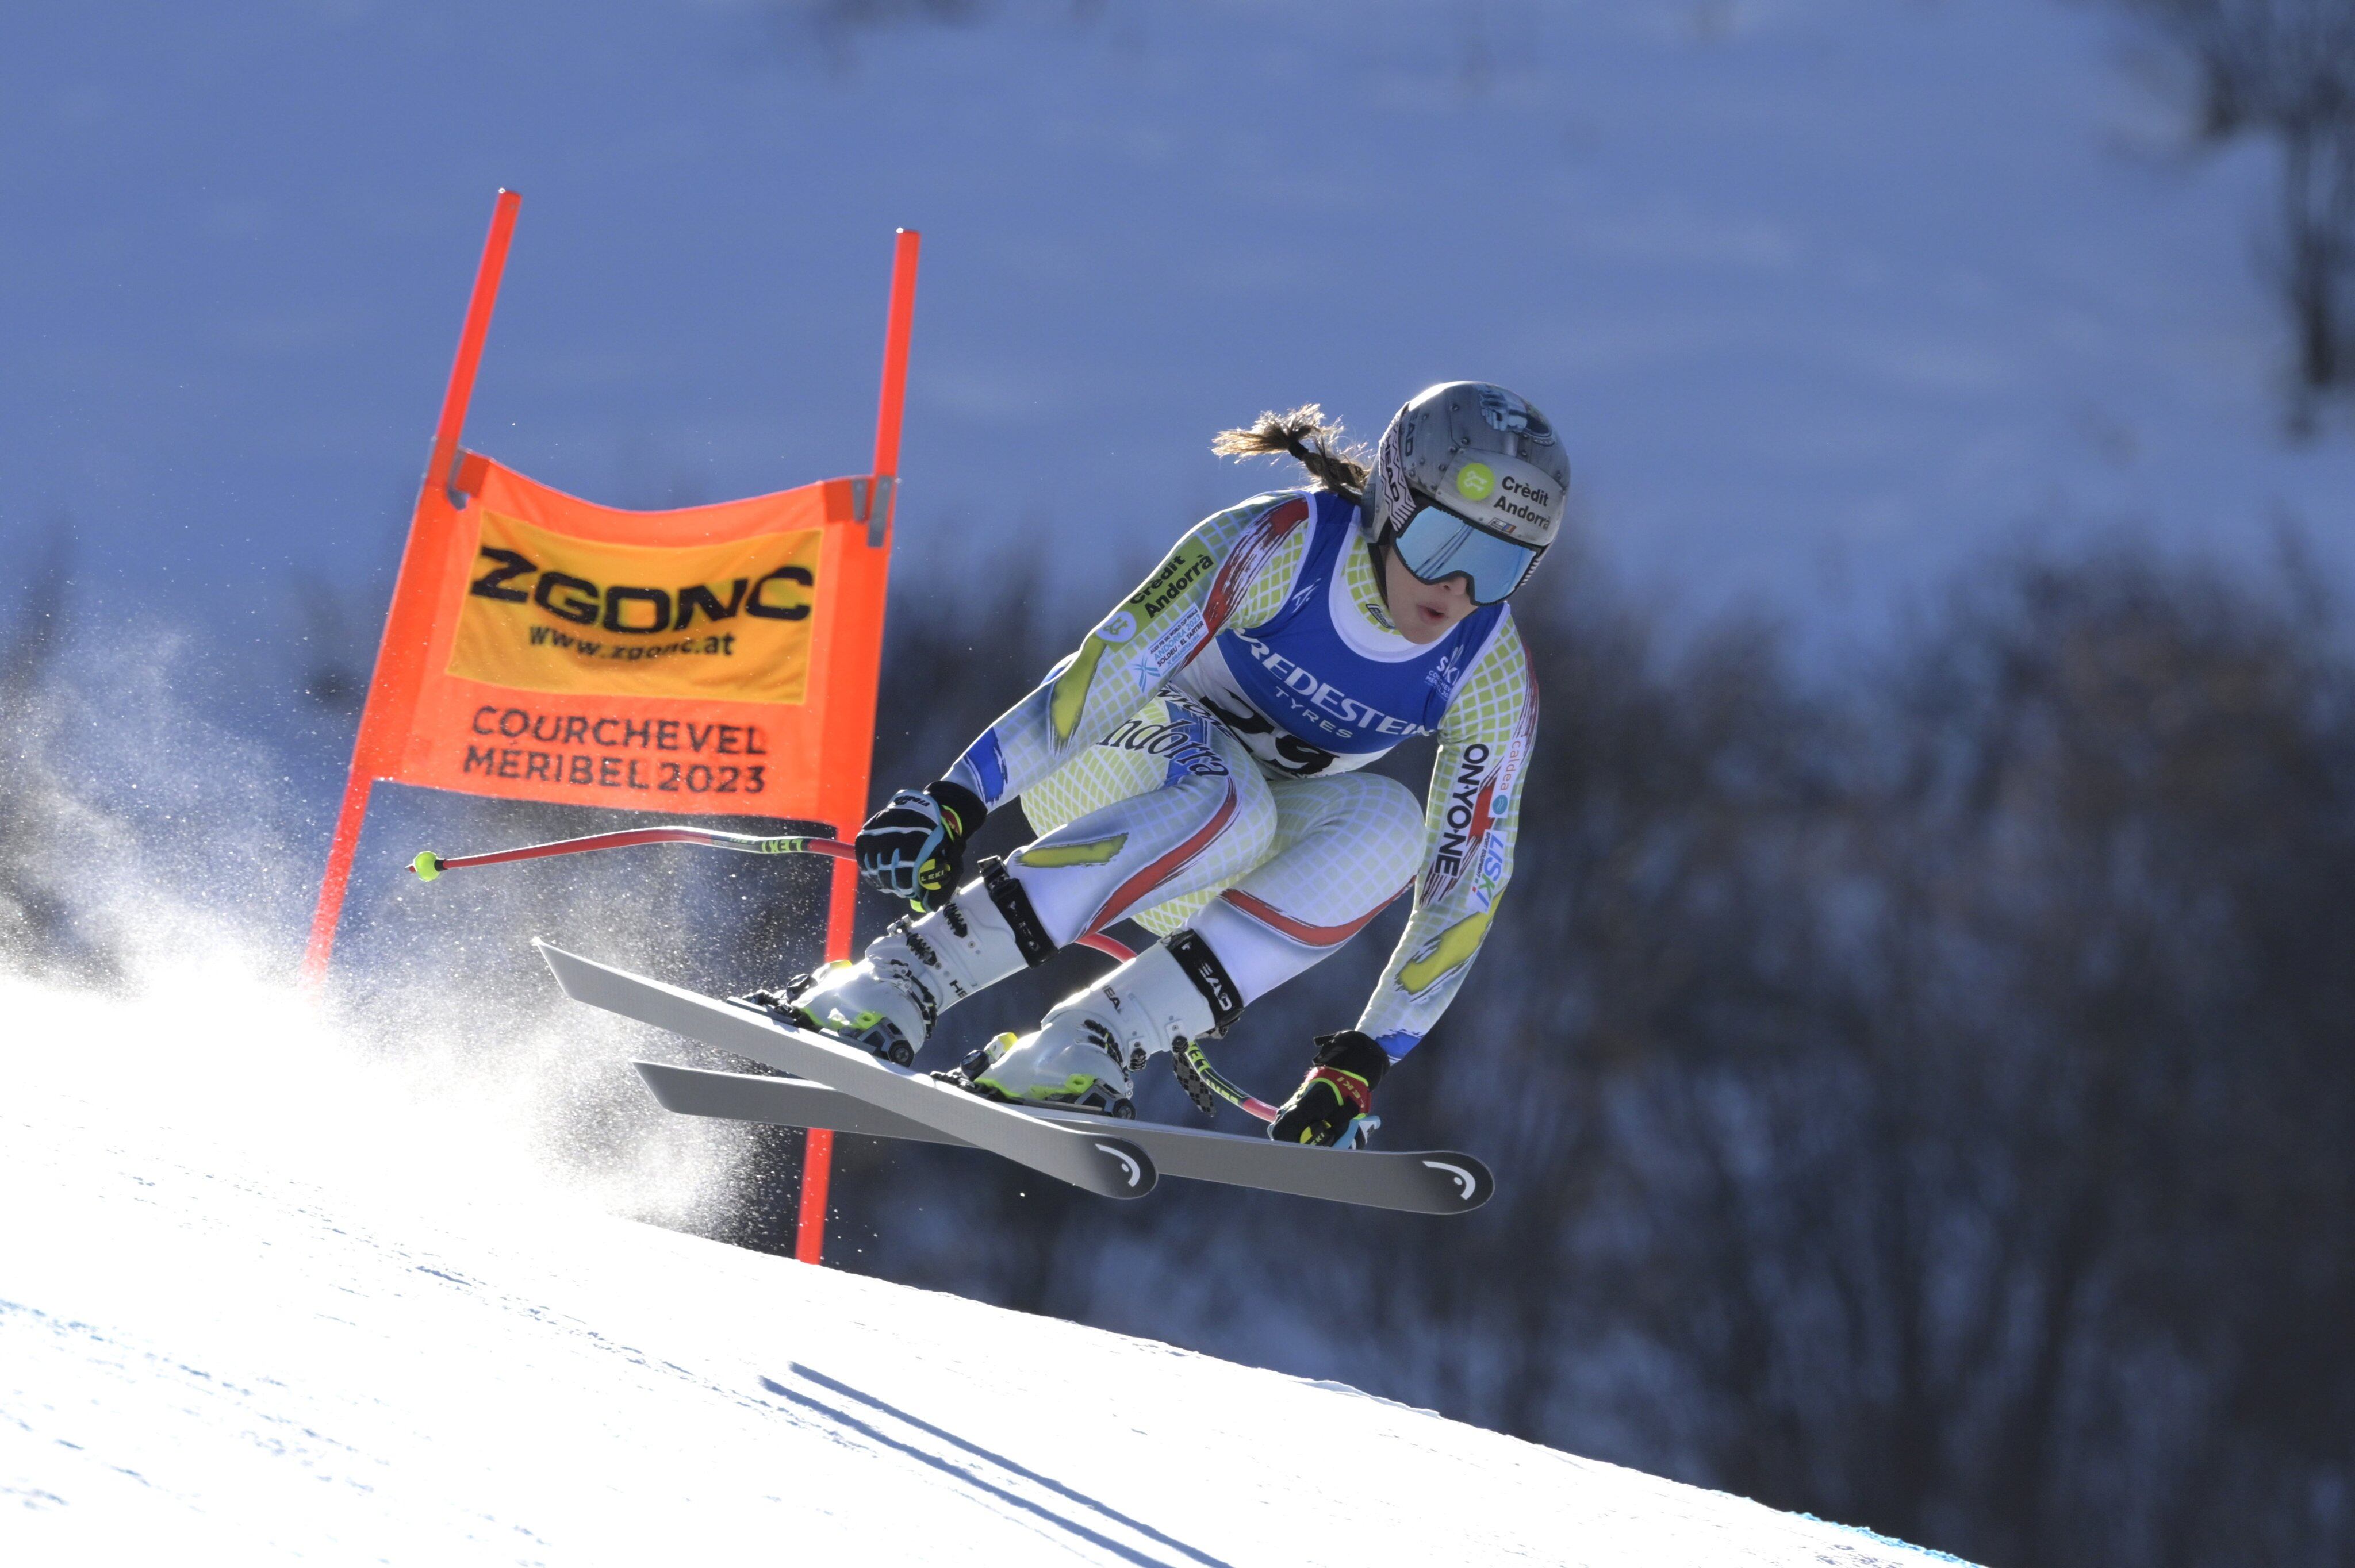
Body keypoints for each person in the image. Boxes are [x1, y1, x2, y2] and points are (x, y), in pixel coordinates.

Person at [770, 382, 1563, 1147]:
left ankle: (1093, 1041)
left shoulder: (1486, 671)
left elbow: (1469, 884)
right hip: (1111, 771)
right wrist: (960, 798)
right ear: (1392, 502)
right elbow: (1098, 680)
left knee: (1394, 828)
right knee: (1230, 802)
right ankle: (903, 976)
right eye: (1441, 544)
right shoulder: (1283, 546)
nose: (1458, 588)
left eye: (1501, 566)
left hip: (1225, 849)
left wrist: (1366, 1057)